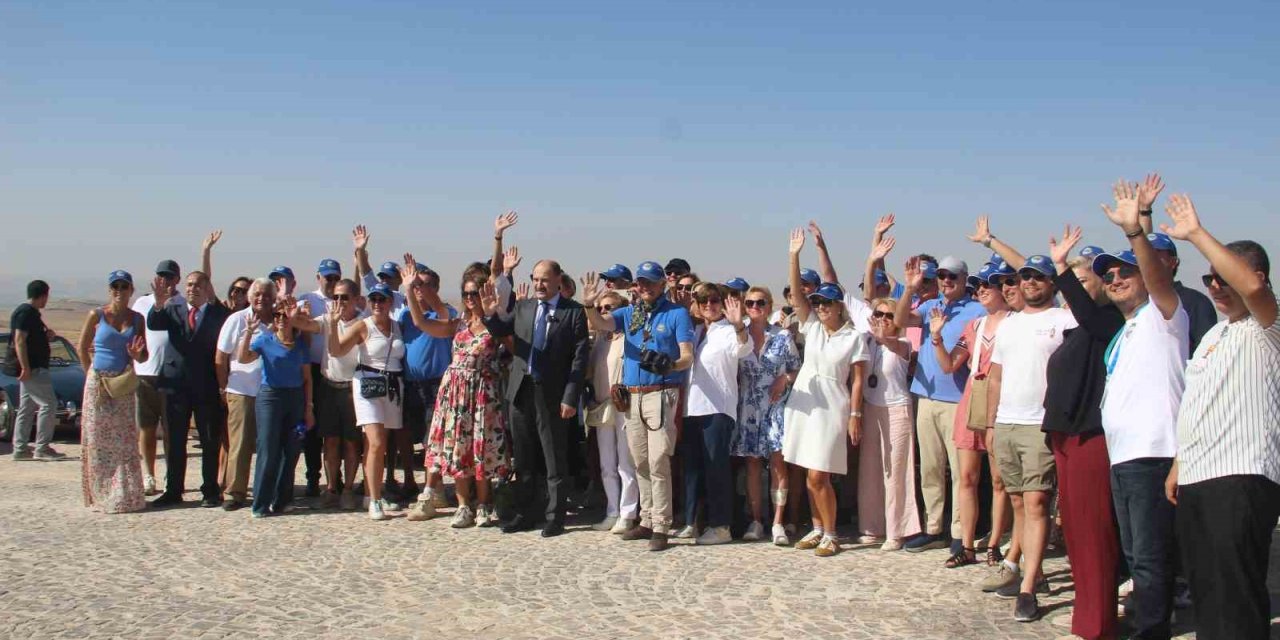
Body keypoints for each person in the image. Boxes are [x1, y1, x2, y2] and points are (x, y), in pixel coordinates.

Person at [1161, 194, 1279, 640]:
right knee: (1207, 590)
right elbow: (1198, 404)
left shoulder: (1269, 326)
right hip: (1198, 476)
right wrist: (1179, 464)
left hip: (1243, 474)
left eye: (1221, 276)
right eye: (1208, 278)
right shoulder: (1213, 335)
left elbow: (1251, 289)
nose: (1213, 285)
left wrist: (1195, 235)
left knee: (1237, 591)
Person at [1096, 180, 1190, 639]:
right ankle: (1148, 621)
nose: (1115, 280)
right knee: (1135, 554)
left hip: (1153, 454)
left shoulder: (1165, 315)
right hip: (1123, 456)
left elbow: (1156, 277)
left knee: (1150, 556)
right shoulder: (1127, 329)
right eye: (1109, 276)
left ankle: (1152, 630)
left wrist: (1137, 232)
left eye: (1124, 274)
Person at [1041, 228, 1125, 640]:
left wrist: (1061, 267)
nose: (1072, 289)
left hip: (1092, 437)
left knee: (1095, 532)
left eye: (1084, 279)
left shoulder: (1109, 322)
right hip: (1065, 438)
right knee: (1075, 531)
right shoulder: (1078, 332)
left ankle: (1099, 624)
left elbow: (1088, 313)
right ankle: (1087, 615)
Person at [986, 254, 1077, 622]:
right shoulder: (1009, 324)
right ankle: (1032, 572)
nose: (1029, 282)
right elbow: (995, 376)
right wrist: (990, 425)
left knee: (1038, 501)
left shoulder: (1064, 320)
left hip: (1040, 423)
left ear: (1052, 283)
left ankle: (1026, 592)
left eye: (1038, 276)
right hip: (1006, 421)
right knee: (1019, 503)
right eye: (1024, 276)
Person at [582, 262, 695, 552]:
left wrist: (670, 364)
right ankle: (645, 519)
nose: (645, 287)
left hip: (661, 392)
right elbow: (602, 324)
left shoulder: (677, 314)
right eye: (641, 282)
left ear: (662, 285)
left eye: (651, 283)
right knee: (640, 460)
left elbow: (687, 356)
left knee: (658, 460)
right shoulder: (630, 313)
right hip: (632, 394)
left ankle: (661, 524)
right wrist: (589, 305)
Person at [485, 260, 590, 538]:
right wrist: (489, 314)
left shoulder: (574, 313)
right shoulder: (524, 307)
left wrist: (570, 397)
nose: (539, 285)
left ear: (558, 280)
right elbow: (499, 330)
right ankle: (526, 513)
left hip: (553, 395)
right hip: (521, 391)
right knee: (524, 456)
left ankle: (555, 516)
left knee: (554, 457)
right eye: (535, 279)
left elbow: (579, 361)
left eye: (544, 280)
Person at [782, 228, 869, 558]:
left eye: (824, 303)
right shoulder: (813, 328)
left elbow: (858, 380)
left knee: (821, 473)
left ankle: (832, 533)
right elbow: (797, 297)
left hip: (833, 406)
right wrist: (794, 255)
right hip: (805, 403)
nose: (818, 307)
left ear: (838, 306)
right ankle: (817, 528)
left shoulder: (854, 338)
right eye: (816, 302)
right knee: (807, 470)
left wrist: (856, 415)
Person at [893, 253, 987, 554]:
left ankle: (960, 529)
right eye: (942, 276)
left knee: (961, 472)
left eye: (953, 276)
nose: (946, 281)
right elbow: (898, 321)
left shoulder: (977, 310)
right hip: (925, 393)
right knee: (930, 468)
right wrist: (909, 288)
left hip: (957, 399)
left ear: (964, 280)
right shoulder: (931, 305)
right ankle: (934, 527)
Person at [407, 266, 506, 528]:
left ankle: (484, 504)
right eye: (466, 293)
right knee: (460, 449)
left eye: (474, 292)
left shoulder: (494, 323)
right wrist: (408, 289)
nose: (470, 297)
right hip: (455, 394)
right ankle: (463, 507)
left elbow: (511, 346)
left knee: (480, 449)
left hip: (483, 395)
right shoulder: (458, 323)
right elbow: (422, 323)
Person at [928, 262, 1012, 568]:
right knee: (966, 477)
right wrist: (936, 338)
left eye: (989, 283)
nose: (983, 290)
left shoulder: (1014, 323)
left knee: (1000, 479)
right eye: (979, 285)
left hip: (1003, 400)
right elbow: (950, 364)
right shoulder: (974, 326)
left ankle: (993, 544)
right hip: (973, 396)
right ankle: (965, 545)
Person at [146, 270, 231, 508]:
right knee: (174, 440)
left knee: (209, 440)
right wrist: (159, 304)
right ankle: (173, 490)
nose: (191, 289)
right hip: (175, 386)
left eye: (196, 285)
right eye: (189, 285)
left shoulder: (218, 315)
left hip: (206, 386)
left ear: (206, 288)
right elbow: (154, 324)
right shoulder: (173, 309)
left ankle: (210, 490)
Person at [679, 282, 751, 545]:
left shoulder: (730, 331)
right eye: (703, 300)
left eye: (714, 300)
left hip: (718, 409)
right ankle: (691, 522)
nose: (708, 305)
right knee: (692, 470)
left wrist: (739, 325)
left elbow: (744, 348)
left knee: (716, 468)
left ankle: (721, 525)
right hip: (691, 408)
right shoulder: (695, 331)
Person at [329, 282, 406, 521]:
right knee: (375, 441)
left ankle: (373, 493)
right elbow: (336, 350)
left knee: (383, 444)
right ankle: (374, 500)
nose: (377, 304)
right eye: (373, 300)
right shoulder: (364, 326)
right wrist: (332, 326)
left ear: (390, 302)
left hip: (392, 386)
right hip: (368, 385)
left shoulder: (397, 325)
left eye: (382, 299)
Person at [731, 286, 801, 545]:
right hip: (749, 408)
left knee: (778, 464)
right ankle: (757, 520)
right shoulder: (739, 335)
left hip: (775, 407)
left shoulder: (782, 337)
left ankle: (778, 522)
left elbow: (797, 368)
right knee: (751, 465)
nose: (755, 307)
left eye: (761, 303)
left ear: (770, 305)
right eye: (750, 303)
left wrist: (785, 378)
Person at [75, 270, 149, 512]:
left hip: (123, 383)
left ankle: (125, 493)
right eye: (115, 286)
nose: (119, 290)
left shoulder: (137, 319)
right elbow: (82, 347)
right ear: (110, 290)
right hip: (98, 383)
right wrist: (91, 374)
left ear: (131, 290)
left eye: (124, 286)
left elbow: (144, 352)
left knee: (125, 439)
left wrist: (138, 356)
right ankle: (101, 493)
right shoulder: (96, 315)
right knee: (98, 440)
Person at [236, 301, 314, 518]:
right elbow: (243, 358)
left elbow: (307, 379)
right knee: (268, 450)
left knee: (290, 451)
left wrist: (309, 408)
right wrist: (248, 333)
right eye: (276, 315)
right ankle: (261, 503)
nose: (280, 319)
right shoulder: (264, 340)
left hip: (295, 398)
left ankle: (282, 500)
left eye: (284, 315)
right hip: (271, 397)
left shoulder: (300, 346)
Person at [856, 296, 920, 551]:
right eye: (878, 314)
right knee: (870, 469)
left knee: (895, 471)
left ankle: (897, 530)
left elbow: (894, 348)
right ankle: (872, 527)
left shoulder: (902, 343)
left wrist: (880, 335)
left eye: (888, 316)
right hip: (871, 406)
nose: (882, 319)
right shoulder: (868, 341)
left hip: (896, 407)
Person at [400, 263, 461, 520]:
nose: (419, 290)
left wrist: (417, 286)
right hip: (410, 384)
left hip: (436, 384)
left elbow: (427, 316)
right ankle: (409, 484)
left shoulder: (446, 314)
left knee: (430, 441)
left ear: (435, 288)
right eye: (416, 286)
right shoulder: (404, 315)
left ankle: (433, 490)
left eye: (424, 285)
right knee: (405, 436)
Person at [1133, 173, 1217, 352]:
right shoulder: (1136, 299)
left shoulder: (1195, 302)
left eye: (1157, 255)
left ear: (1173, 262)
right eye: (1147, 255)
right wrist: (1143, 210)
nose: (1150, 260)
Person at [583, 290, 640, 533]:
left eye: (610, 308)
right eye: (601, 308)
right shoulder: (599, 339)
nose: (605, 312)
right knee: (607, 463)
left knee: (626, 463)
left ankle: (628, 512)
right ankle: (612, 510)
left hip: (624, 405)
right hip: (601, 405)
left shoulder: (630, 337)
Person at [215, 278, 273, 511]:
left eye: (267, 295)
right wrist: (223, 387)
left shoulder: (278, 321)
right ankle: (234, 492)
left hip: (270, 392)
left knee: (267, 445)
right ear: (250, 297)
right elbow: (221, 357)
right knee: (239, 444)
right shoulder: (237, 320)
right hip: (241, 390)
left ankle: (265, 490)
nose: (262, 299)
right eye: (258, 294)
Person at [131, 259, 183, 493]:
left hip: (172, 376)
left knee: (172, 430)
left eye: (169, 277)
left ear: (177, 280)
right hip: (145, 374)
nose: (165, 281)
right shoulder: (142, 303)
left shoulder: (183, 303)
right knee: (147, 428)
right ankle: (149, 475)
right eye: (161, 276)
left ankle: (171, 476)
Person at [297, 258, 344, 499]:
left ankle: (336, 479)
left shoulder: (342, 300)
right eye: (328, 278)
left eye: (336, 278)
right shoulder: (307, 300)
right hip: (312, 368)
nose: (332, 282)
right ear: (318, 278)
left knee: (336, 429)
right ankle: (313, 476)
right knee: (313, 428)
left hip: (336, 369)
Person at [317, 279, 365, 510]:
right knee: (330, 441)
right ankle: (331, 488)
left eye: (344, 297)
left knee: (351, 442)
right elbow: (304, 324)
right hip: (328, 386)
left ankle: (348, 489)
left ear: (356, 299)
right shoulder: (327, 320)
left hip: (352, 388)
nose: (339, 302)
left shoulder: (363, 323)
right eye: (335, 297)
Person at [8, 280, 66, 461]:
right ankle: (42, 447)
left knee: (27, 407)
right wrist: (25, 367)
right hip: (32, 369)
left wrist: (46, 336)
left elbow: (32, 339)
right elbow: (19, 340)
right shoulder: (25, 313)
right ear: (43, 295)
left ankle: (20, 449)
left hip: (32, 368)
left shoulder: (32, 314)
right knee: (49, 404)